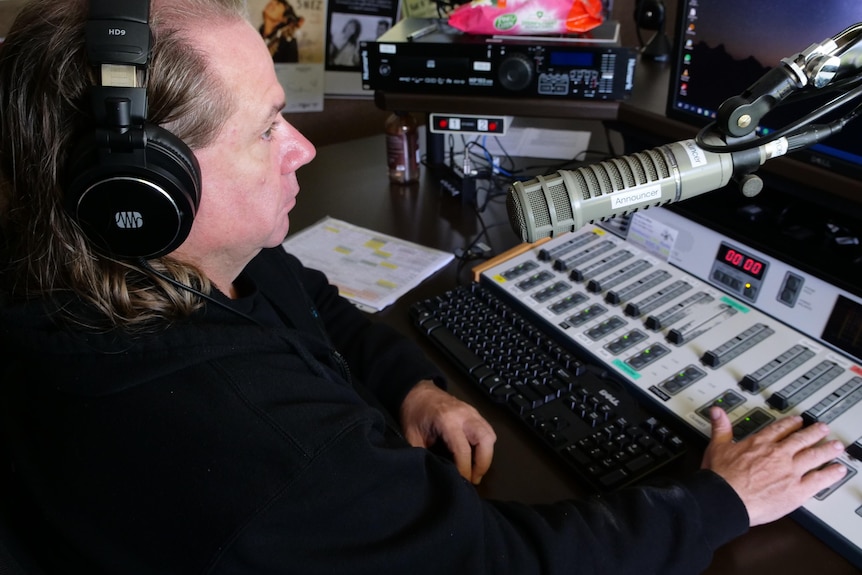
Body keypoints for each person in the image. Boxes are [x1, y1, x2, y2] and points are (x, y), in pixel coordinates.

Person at [0, 0, 848, 573]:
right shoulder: (262, 446)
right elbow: (508, 562)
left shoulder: (130, 266)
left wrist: (411, 384)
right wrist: (724, 498)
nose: (302, 148)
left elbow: (309, 298)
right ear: (141, 194)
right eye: (267, 129)